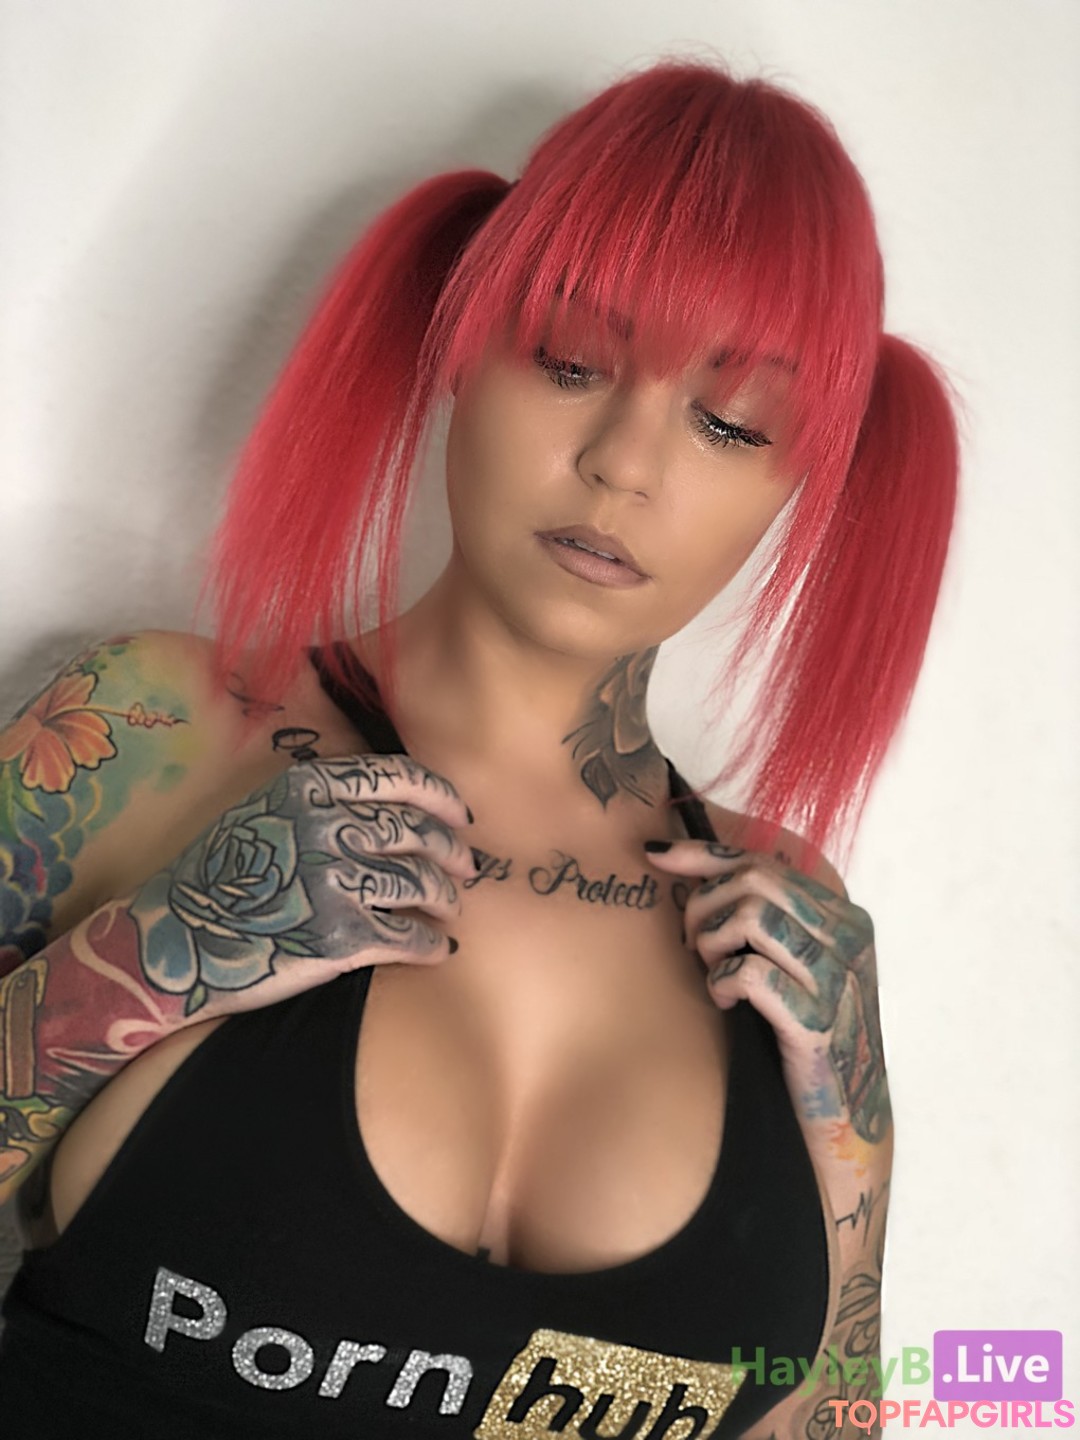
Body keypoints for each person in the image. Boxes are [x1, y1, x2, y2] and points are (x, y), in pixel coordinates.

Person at [0, 56, 957, 1438]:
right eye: (571, 362)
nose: (627, 462)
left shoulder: (789, 923)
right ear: (462, 338)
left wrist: (855, 1146)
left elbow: (827, 1420)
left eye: (730, 423)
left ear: (797, 484)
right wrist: (153, 955)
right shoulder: (143, 733)